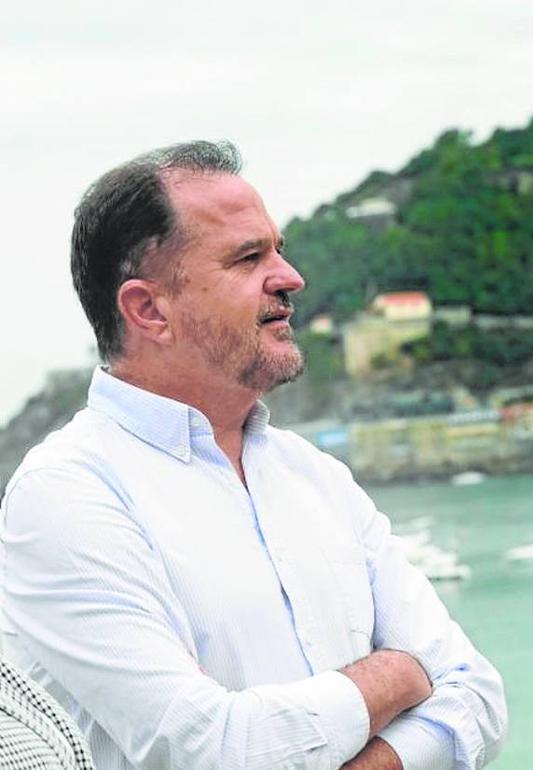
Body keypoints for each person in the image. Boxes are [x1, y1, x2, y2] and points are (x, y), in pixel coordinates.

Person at [0, 141, 506, 770]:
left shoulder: (316, 475)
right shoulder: (66, 496)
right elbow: (213, 750)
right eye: (247, 258)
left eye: (279, 250)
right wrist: (397, 675)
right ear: (148, 310)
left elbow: (476, 694)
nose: (290, 279)